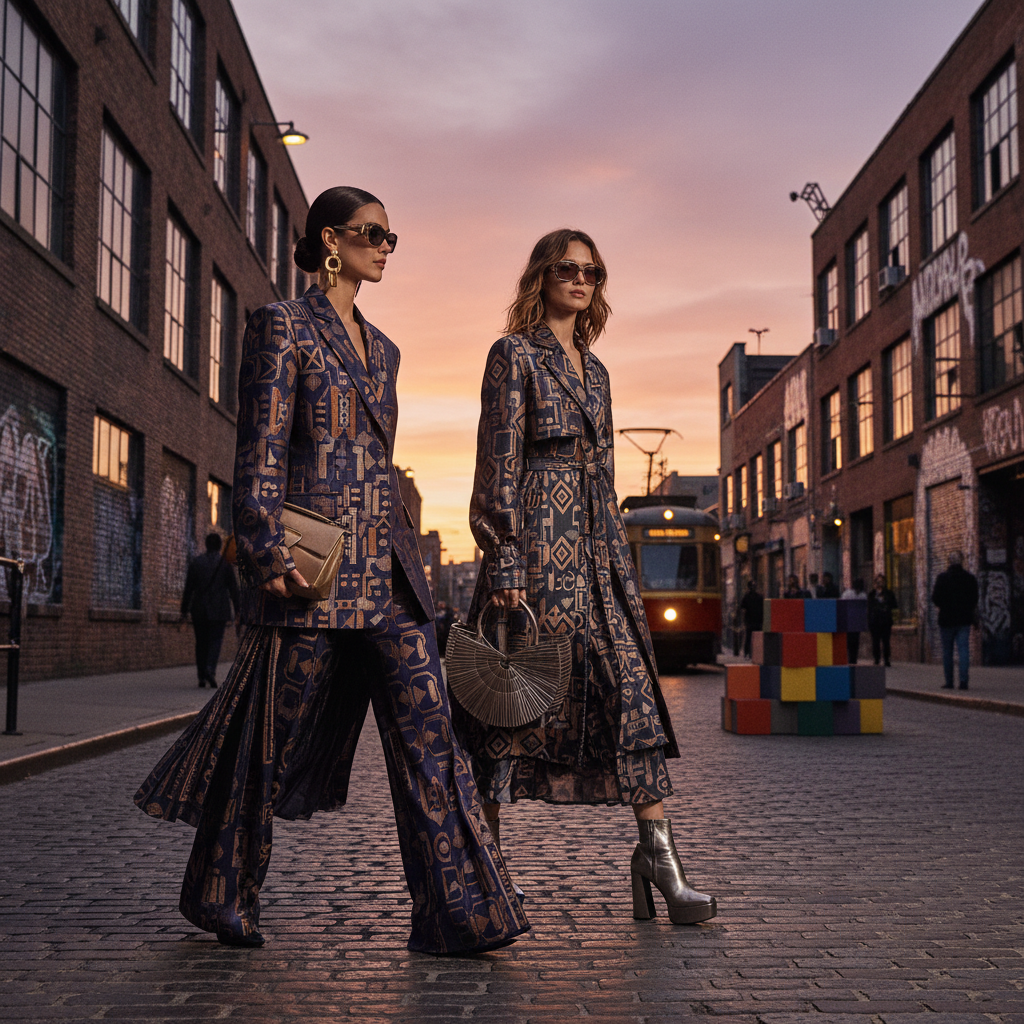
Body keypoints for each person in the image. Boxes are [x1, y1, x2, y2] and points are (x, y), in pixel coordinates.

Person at [135, 187, 529, 955]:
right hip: (312, 571)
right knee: (268, 740)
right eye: (373, 233)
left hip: (392, 572)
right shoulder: (281, 326)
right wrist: (263, 546)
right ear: (328, 239)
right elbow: (261, 450)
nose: (386, 247)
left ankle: (456, 912)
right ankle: (221, 891)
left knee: (431, 736)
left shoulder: (385, 349)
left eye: (392, 236)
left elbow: (376, 460)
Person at [454, 228, 717, 927]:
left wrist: (618, 565)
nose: (581, 279)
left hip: (600, 560)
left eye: (592, 271)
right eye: (567, 268)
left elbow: (603, 472)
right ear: (541, 276)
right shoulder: (512, 355)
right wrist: (503, 557)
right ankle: (487, 874)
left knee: (632, 697)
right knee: (508, 713)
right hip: (535, 556)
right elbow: (496, 462)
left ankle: (660, 862)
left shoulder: (596, 370)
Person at [180, 532, 239, 688]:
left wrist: (184, 612)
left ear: (206, 545)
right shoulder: (225, 565)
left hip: (199, 609)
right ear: (220, 546)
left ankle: (201, 676)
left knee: (201, 643)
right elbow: (234, 590)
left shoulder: (196, 563)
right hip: (219, 610)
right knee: (215, 641)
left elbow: (188, 589)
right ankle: (210, 669)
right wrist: (239, 611)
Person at [931, 550, 979, 690]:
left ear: (949, 562)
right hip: (964, 619)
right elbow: (974, 599)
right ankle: (963, 682)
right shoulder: (969, 578)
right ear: (962, 561)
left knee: (947, 651)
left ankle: (949, 681)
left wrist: (945, 606)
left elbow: (935, 598)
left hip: (946, 620)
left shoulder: (942, 578)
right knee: (963, 649)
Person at [867, 573, 898, 667]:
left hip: (885, 621)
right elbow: (869, 607)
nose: (880, 584)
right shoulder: (871, 594)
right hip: (875, 622)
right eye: (878, 582)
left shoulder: (889, 594)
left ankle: (886, 659)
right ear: (875, 583)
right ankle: (876, 658)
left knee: (886, 641)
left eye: (882, 582)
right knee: (875, 641)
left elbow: (894, 606)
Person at [840, 577, 867, 664]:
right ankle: (849, 659)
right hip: (850, 622)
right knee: (849, 641)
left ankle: (853, 659)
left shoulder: (862, 595)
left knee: (854, 642)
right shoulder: (849, 594)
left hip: (855, 622)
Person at [739, 579, 764, 658]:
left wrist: (744, 621)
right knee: (755, 637)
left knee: (749, 637)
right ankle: (753, 653)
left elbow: (743, 609)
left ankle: (748, 652)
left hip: (751, 621)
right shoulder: (759, 597)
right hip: (756, 620)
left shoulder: (747, 597)